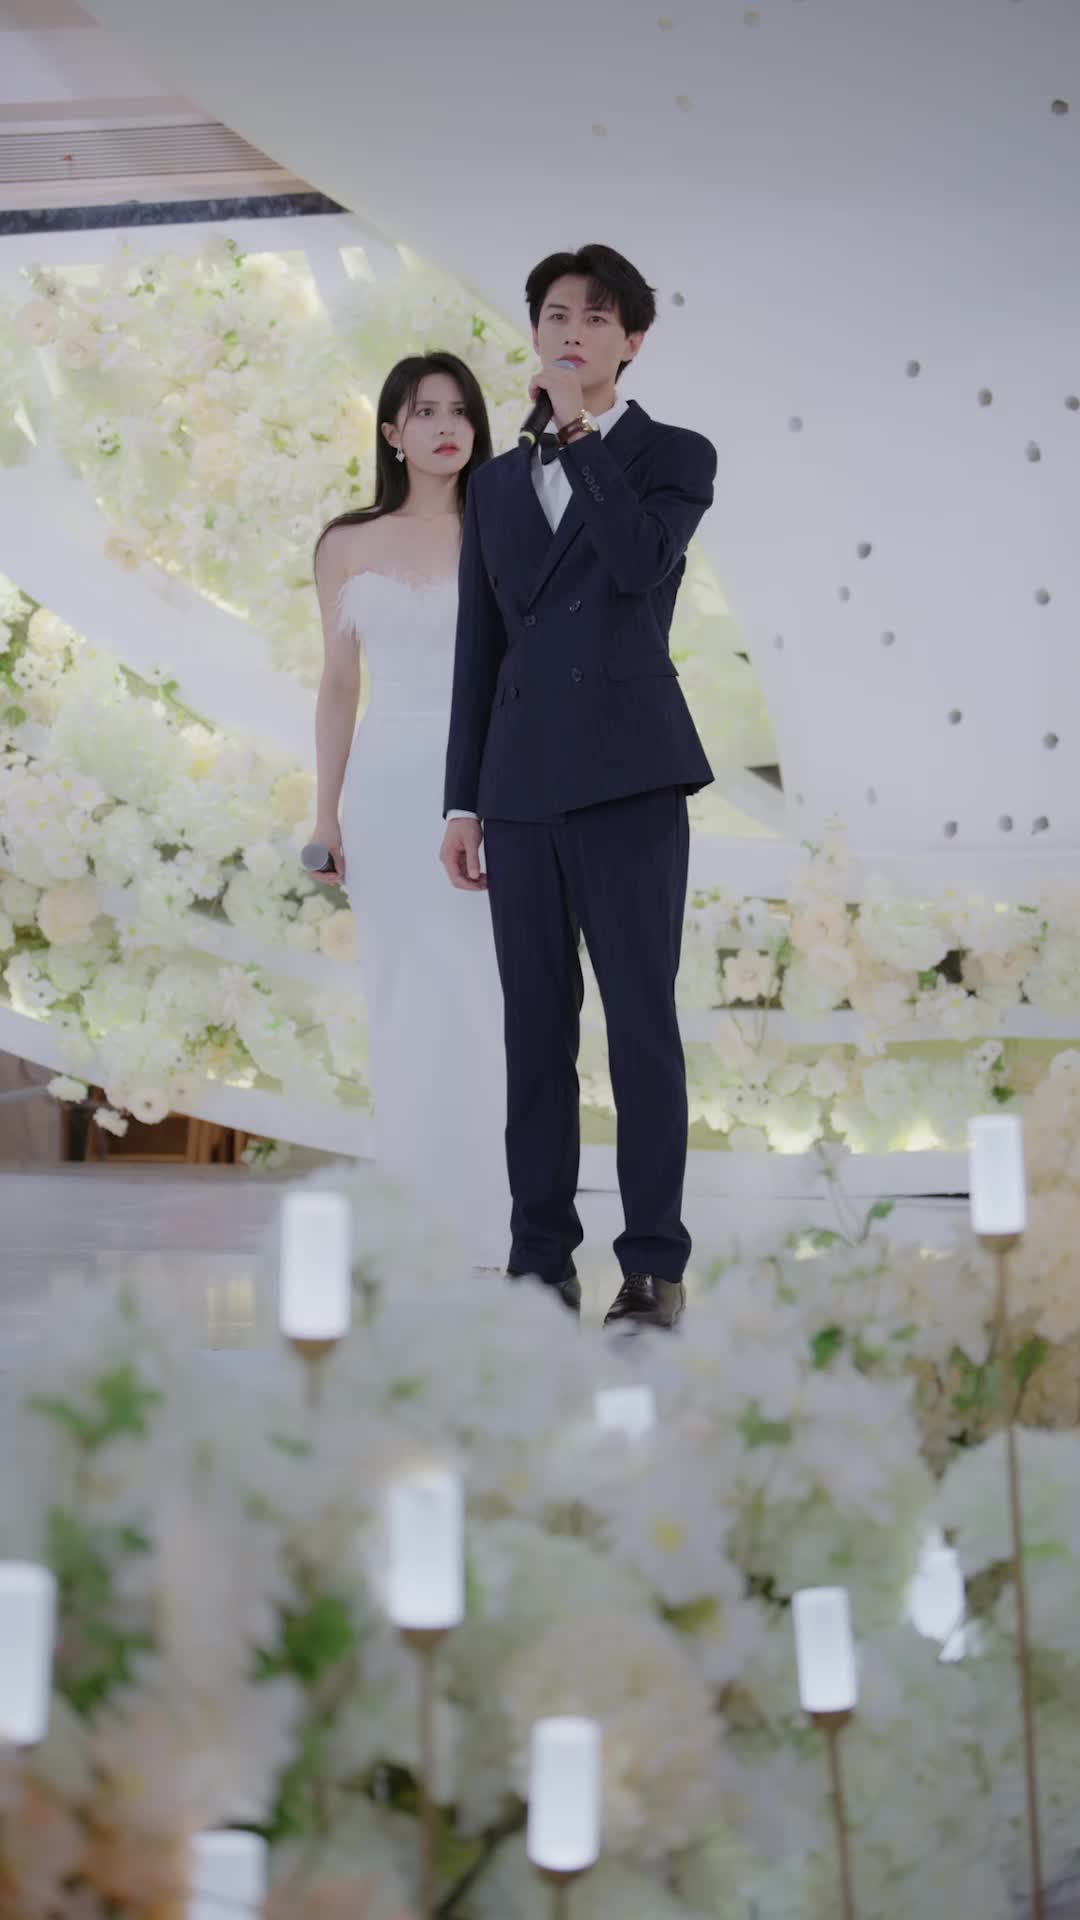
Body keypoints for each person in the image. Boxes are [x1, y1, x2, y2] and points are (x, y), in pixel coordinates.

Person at [441, 244, 716, 1330]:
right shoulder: (496, 483)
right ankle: (537, 1260)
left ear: (632, 340)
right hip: (519, 790)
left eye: (598, 318)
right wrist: (462, 800)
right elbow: (481, 646)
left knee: (640, 1026)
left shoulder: (672, 454)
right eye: (557, 314)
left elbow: (641, 562)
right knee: (534, 1032)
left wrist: (580, 435)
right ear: (534, 329)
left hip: (629, 780)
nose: (574, 332)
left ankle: (652, 1267)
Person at [310, 352, 510, 1266]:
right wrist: (326, 817)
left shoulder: (504, 528)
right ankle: (410, 1222)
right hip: (387, 787)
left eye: (460, 411)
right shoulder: (346, 543)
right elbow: (338, 683)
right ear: (392, 431)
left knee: (488, 996)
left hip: (488, 785)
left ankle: (495, 1223)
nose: (446, 427)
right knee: (398, 996)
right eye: (425, 411)